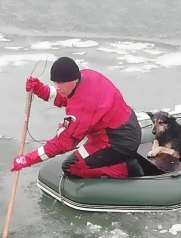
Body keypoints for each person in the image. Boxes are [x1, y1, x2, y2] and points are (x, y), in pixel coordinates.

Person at [11, 57, 143, 178]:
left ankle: (124, 169)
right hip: (122, 127)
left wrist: (28, 159)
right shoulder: (85, 77)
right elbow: (65, 98)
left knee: (71, 167)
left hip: (116, 141)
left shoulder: (84, 107)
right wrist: (39, 89)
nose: (57, 87)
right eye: (55, 82)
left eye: (61, 83)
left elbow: (63, 143)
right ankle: (120, 161)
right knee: (78, 158)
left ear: (73, 80)